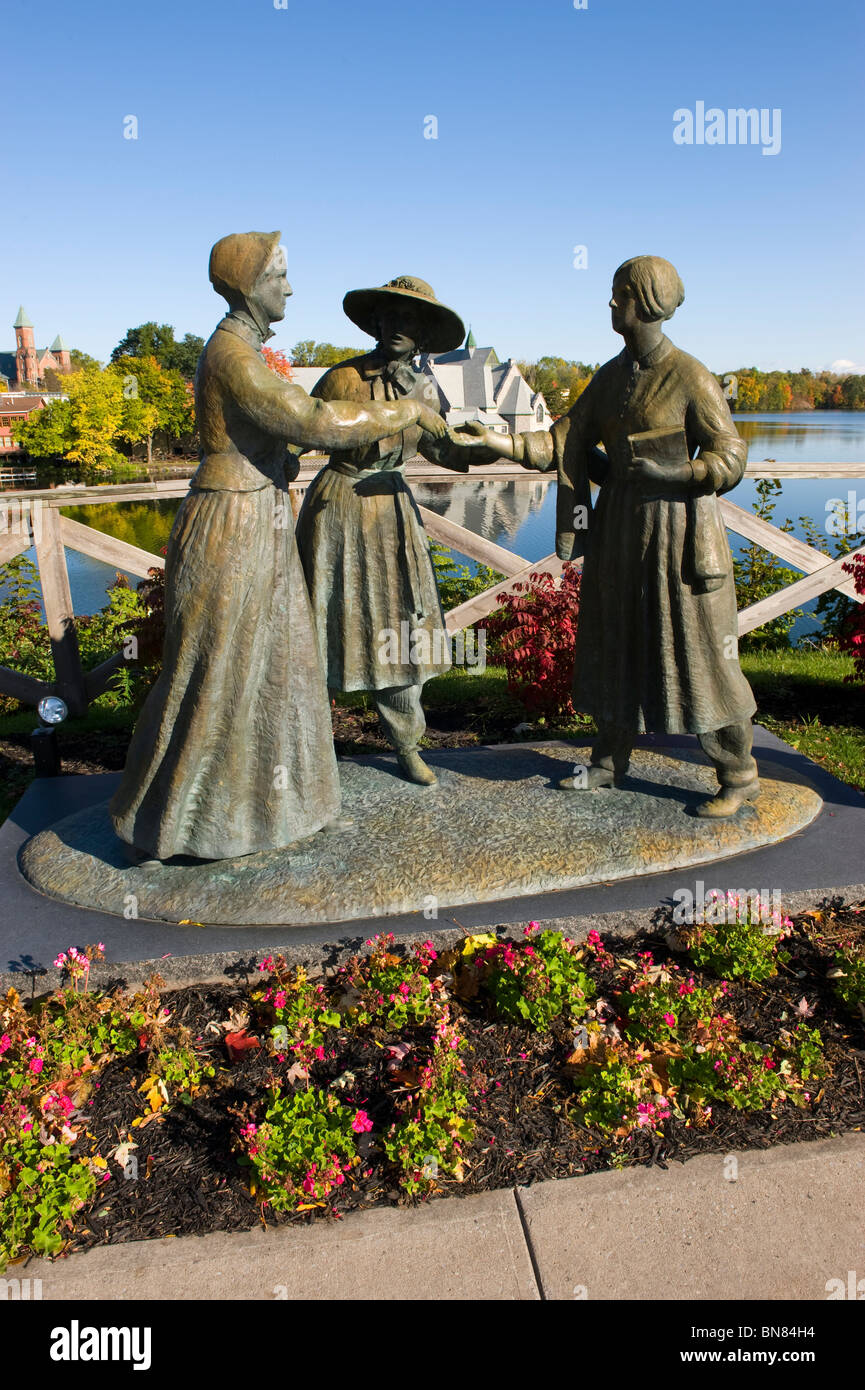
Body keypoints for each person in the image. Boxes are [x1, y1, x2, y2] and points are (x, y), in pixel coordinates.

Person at [110, 234, 447, 860]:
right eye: (280, 276)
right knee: (218, 666)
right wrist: (404, 413)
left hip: (258, 512)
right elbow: (315, 421)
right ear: (248, 283)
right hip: (234, 521)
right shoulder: (235, 357)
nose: (288, 288)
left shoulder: (246, 353)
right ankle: (182, 820)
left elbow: (281, 438)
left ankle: (280, 809)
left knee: (277, 666)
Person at [460, 255, 759, 818]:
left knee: (698, 653)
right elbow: (564, 441)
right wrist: (500, 444)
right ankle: (607, 761)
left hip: (679, 538)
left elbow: (731, 457)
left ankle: (738, 773)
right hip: (622, 530)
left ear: (644, 301)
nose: (611, 303)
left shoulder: (691, 376)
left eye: (618, 293)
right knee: (614, 643)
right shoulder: (611, 376)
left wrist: (678, 474)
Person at [295, 275, 487, 785]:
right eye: (392, 315)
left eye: (411, 318)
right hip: (337, 510)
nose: (399, 325)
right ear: (377, 322)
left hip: (392, 514)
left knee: (404, 625)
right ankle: (304, 746)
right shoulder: (341, 379)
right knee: (319, 621)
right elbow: (305, 434)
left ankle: (406, 744)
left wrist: (490, 444)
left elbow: (443, 449)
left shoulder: (425, 388)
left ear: (423, 330)